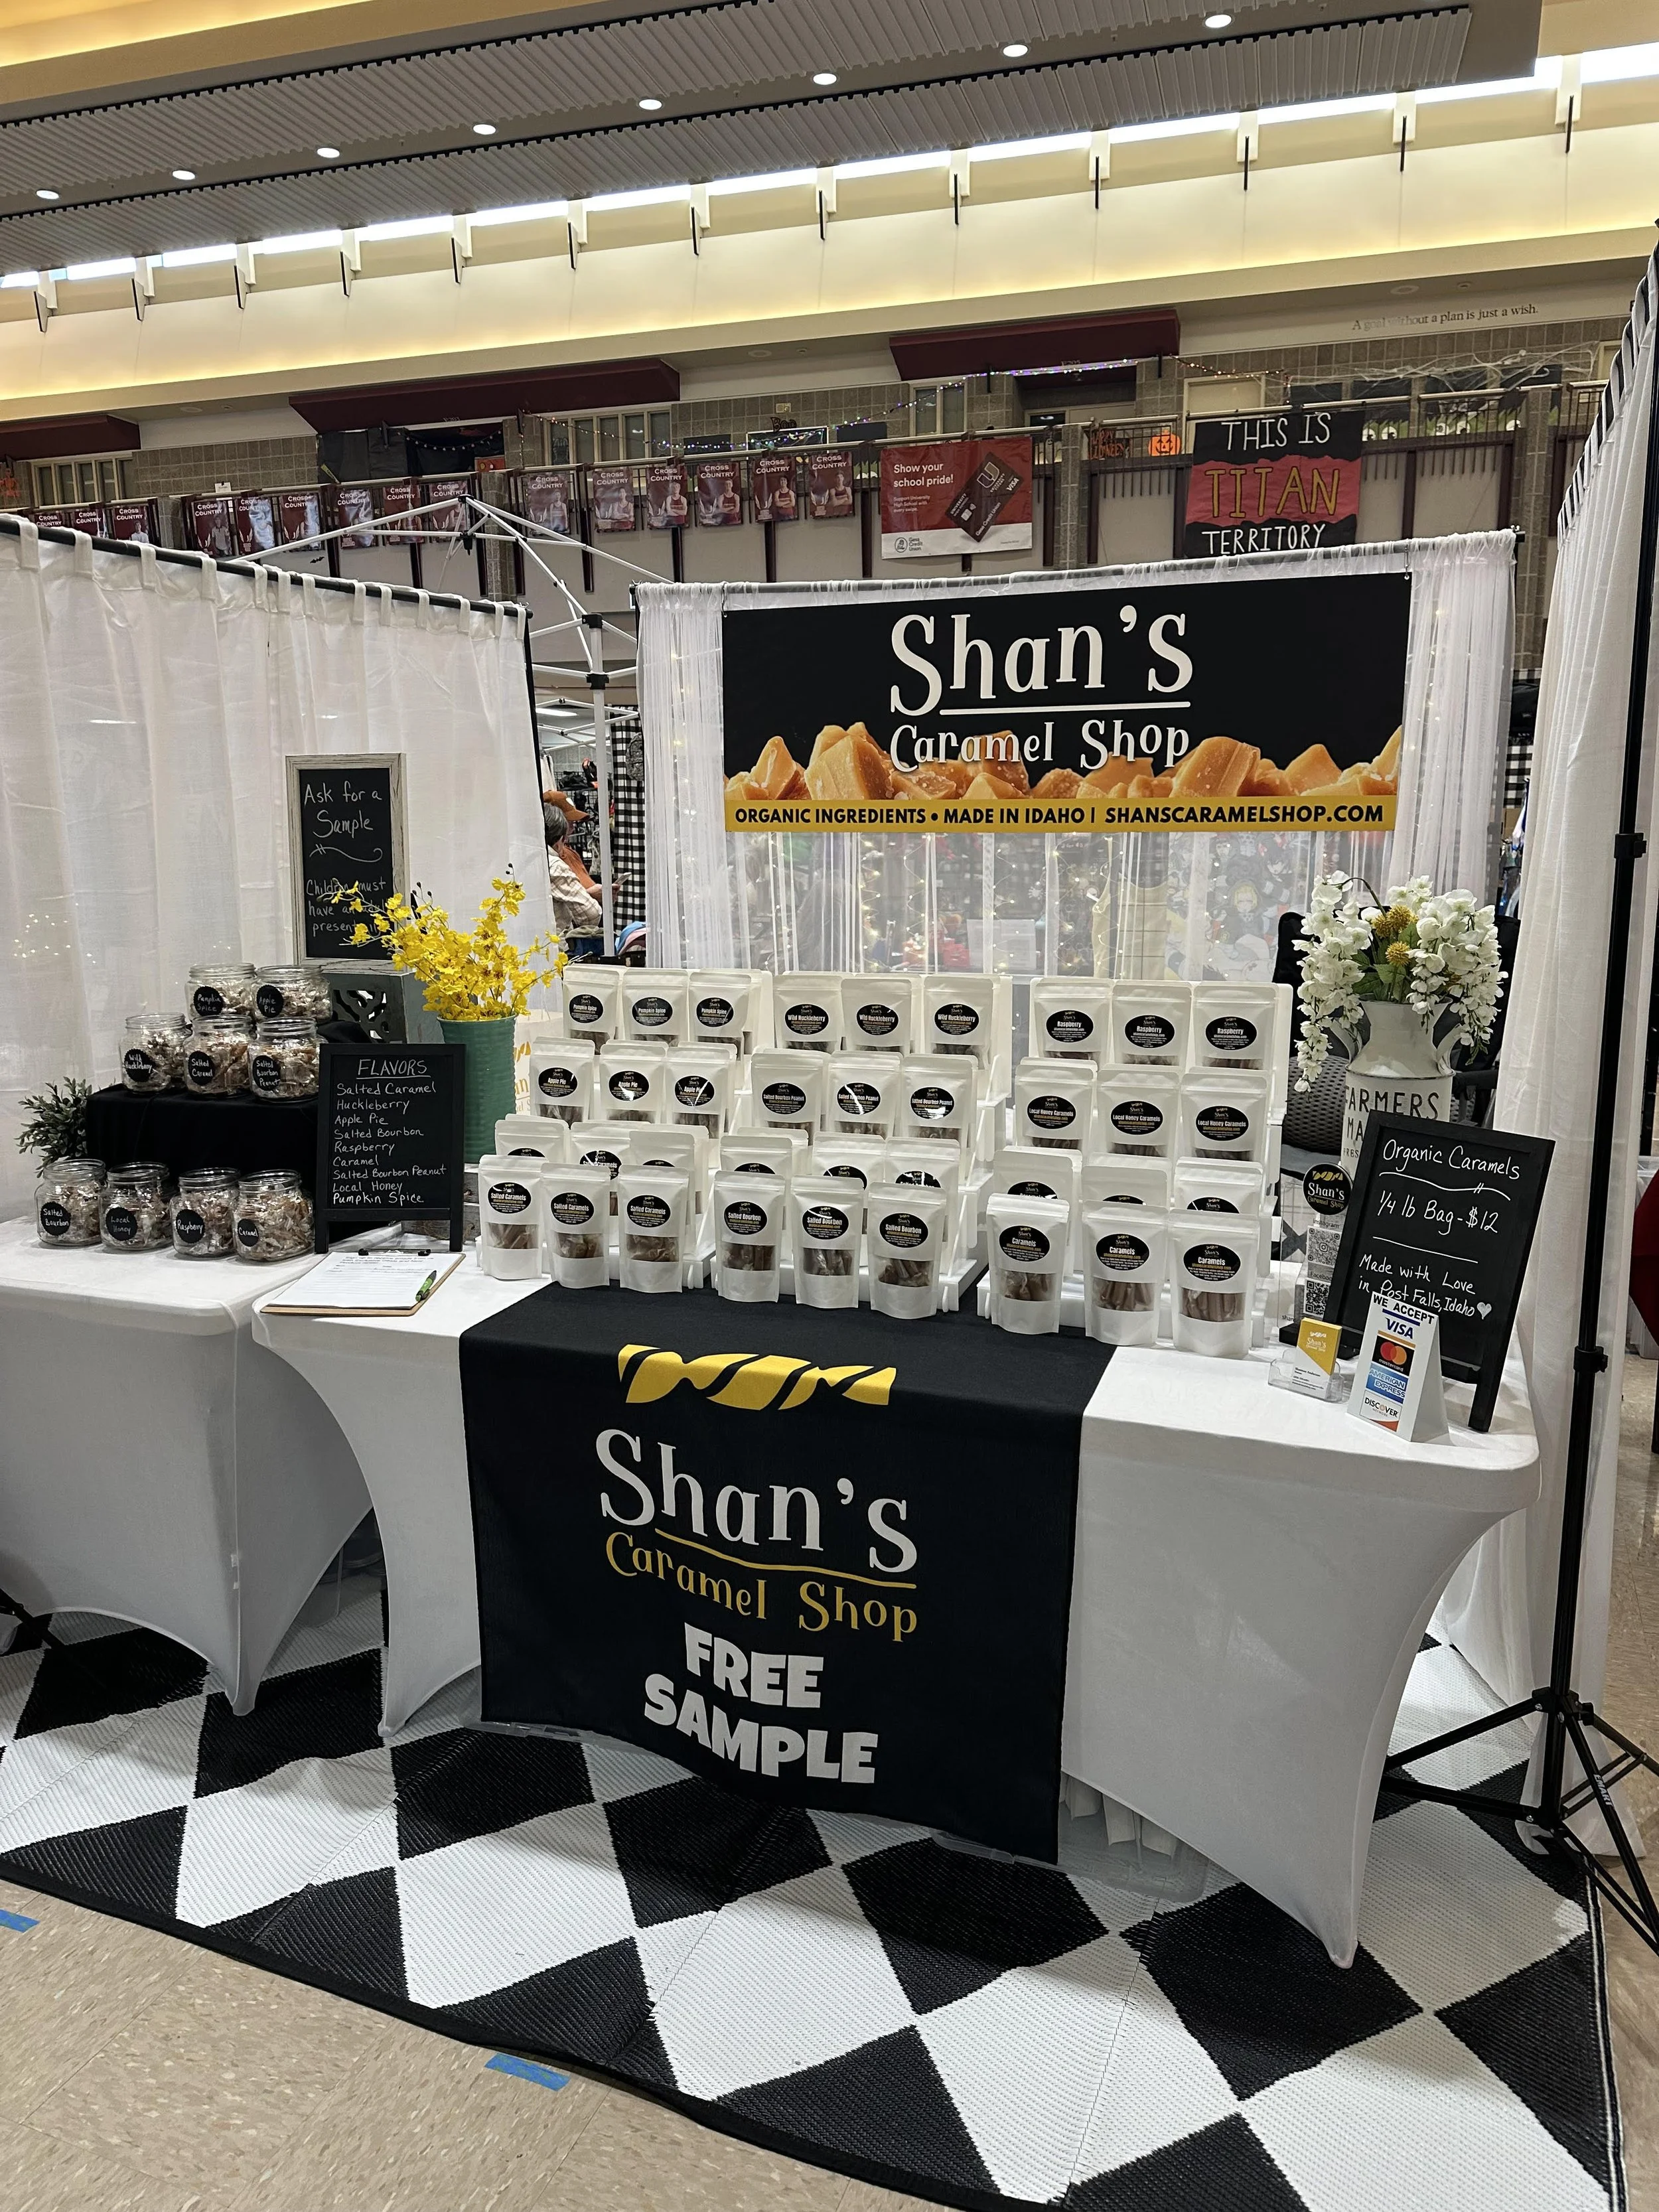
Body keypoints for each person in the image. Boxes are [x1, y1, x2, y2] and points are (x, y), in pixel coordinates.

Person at [543, 796, 603, 948]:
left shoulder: (570, 855)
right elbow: (591, 913)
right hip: (554, 946)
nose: (573, 828)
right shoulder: (554, 864)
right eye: (570, 823)